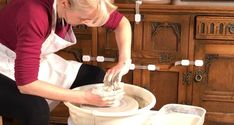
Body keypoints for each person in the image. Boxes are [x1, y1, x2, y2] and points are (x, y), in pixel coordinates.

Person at [0, 0, 132, 124]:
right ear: (65, 3)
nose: (86, 23)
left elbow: (122, 23)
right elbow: (27, 84)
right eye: (82, 19)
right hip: (3, 64)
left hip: (27, 58)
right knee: (36, 109)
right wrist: (85, 97)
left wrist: (124, 62)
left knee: (96, 77)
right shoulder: (34, 13)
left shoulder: (82, 3)